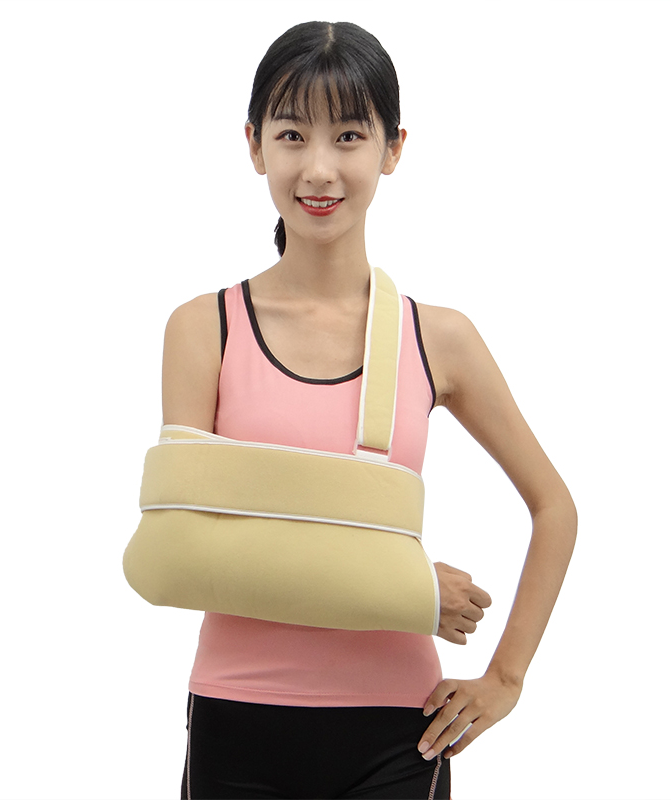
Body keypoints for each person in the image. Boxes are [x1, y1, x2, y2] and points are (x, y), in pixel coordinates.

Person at [164, 20, 577, 799]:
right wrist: (404, 587)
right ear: (254, 145)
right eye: (292, 135)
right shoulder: (204, 329)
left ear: (393, 149)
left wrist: (505, 679)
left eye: (349, 135)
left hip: (397, 733)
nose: (319, 168)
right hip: (238, 719)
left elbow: (555, 507)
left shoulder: (437, 339)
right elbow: (182, 553)